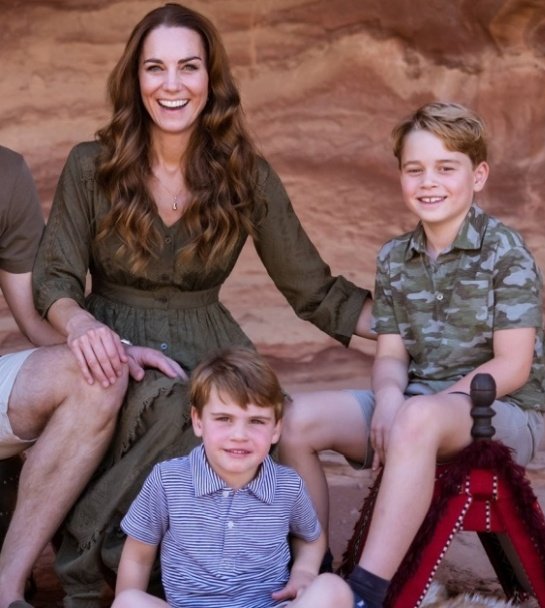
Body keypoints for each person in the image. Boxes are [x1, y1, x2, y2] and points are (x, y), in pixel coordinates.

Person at [30, 4, 373, 605]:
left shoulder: (245, 175)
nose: (171, 84)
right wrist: (82, 325)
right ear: (134, 80)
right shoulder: (92, 166)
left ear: (210, 78)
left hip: (210, 339)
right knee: (178, 408)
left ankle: (285, 578)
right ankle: (127, 573)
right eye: (154, 68)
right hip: (116, 341)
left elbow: (313, 289)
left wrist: (418, 327)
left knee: (253, 416)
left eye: (188, 67)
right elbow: (53, 278)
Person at [278, 101, 545, 608]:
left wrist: (415, 412)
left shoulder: (505, 252)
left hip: (501, 414)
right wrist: (387, 399)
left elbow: (512, 367)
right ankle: (314, 572)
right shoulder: (393, 258)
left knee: (418, 418)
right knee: (296, 420)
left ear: (479, 175)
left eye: (447, 168)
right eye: (415, 169)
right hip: (415, 405)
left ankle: (365, 594)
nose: (430, 182)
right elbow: (390, 356)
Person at [0, 145, 186, 608]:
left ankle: (6, 588)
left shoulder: (5, 173)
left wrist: (110, 348)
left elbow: (34, 315)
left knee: (96, 375)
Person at [112, 346, 325, 608]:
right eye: (224, 418)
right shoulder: (168, 481)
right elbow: (138, 556)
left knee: (332, 589)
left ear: (276, 429)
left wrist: (304, 573)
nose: (240, 435)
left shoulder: (287, 486)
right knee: (130, 602)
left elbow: (311, 537)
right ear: (198, 421)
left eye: (256, 421)